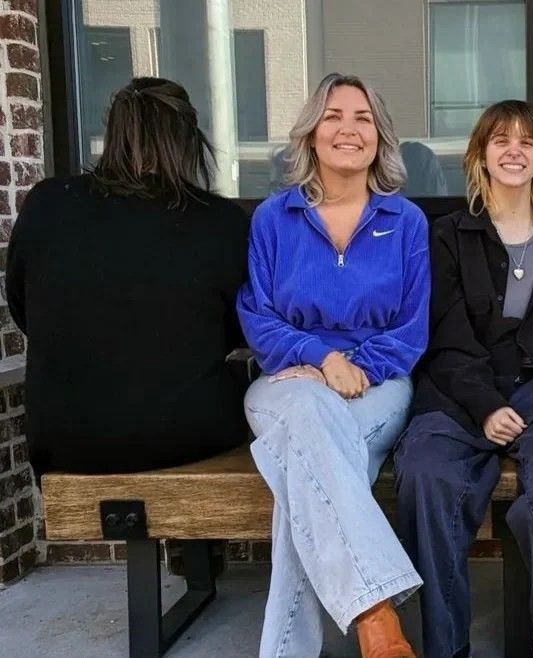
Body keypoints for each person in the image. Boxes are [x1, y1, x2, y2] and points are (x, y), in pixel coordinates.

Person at [237, 73, 429, 658]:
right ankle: (377, 620)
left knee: (306, 463)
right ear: (311, 134)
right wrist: (319, 358)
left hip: (378, 384)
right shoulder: (274, 219)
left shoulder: (405, 222)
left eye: (363, 118)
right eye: (333, 116)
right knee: (307, 421)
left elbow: (411, 328)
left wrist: (355, 366)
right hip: (287, 381)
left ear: (380, 136)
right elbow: (258, 314)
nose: (349, 128)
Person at [393, 100, 533, 658]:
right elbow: (446, 334)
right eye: (500, 140)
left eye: (527, 142)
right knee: (425, 472)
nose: (513, 151)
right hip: (460, 391)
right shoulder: (448, 235)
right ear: (480, 156)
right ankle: (446, 646)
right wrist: (484, 404)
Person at [5, 77, 249, 477]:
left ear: (113, 133)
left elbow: (23, 306)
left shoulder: (48, 203)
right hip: (187, 434)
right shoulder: (219, 222)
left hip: (64, 441)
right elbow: (238, 328)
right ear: (189, 139)